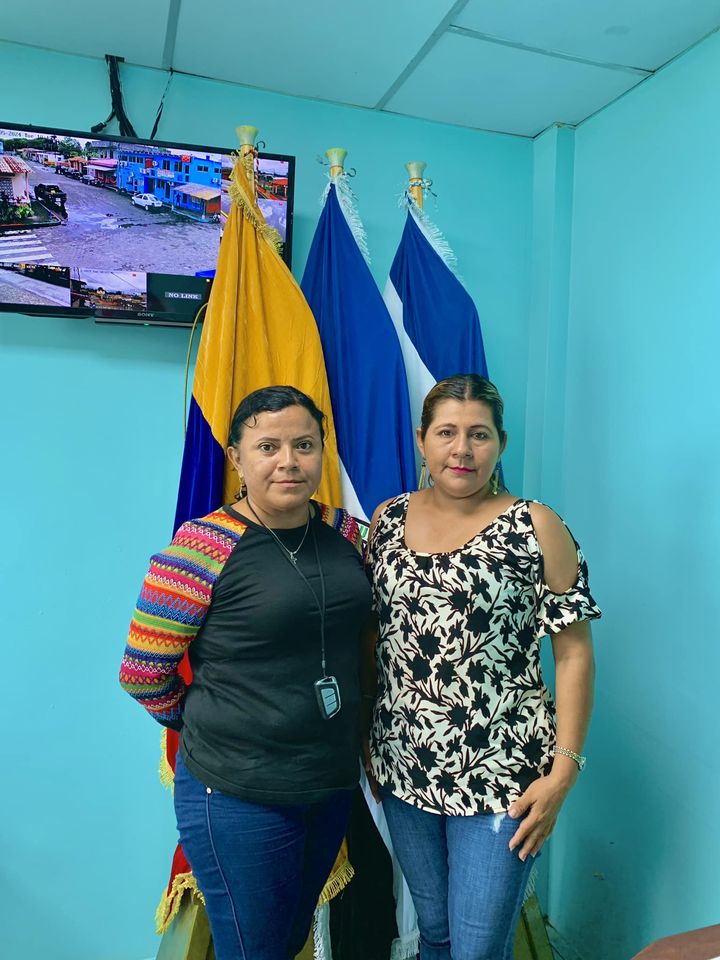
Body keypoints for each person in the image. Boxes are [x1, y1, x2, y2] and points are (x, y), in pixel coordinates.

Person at [119, 385, 373, 960]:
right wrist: (212, 719)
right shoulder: (201, 547)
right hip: (237, 794)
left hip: (327, 785)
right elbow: (142, 672)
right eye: (268, 447)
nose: (289, 461)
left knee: (286, 942)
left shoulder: (349, 535)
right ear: (236, 457)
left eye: (304, 445)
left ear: (323, 450)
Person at [363, 374, 601, 960]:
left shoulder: (536, 526)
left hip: (504, 774)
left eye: (479, 434)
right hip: (403, 764)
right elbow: (373, 633)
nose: (462, 450)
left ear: (501, 443)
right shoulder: (387, 520)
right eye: (446, 432)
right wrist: (365, 734)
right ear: (421, 440)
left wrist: (564, 771)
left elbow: (574, 653)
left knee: (477, 948)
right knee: (435, 934)